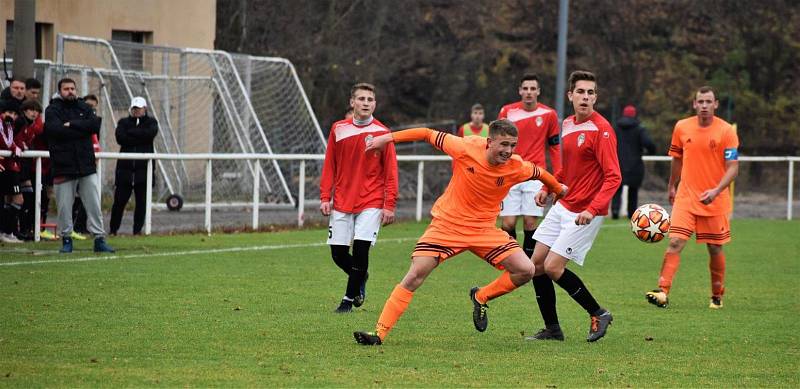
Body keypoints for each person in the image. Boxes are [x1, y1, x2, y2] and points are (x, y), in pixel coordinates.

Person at [353, 119, 566, 345]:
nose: (508, 151)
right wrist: (387, 138)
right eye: (504, 144)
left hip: (484, 230)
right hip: (448, 225)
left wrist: (555, 189)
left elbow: (540, 173)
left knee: (526, 270)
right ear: (489, 142)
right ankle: (379, 334)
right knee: (415, 274)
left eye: (512, 145)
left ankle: (481, 296)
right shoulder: (465, 148)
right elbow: (426, 133)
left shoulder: (516, 166)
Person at [526, 70, 621, 342]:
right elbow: (567, 169)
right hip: (564, 205)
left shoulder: (602, 131)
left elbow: (614, 176)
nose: (586, 97)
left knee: (554, 267)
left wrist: (592, 209)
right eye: (581, 91)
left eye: (591, 93)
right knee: (536, 266)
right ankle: (553, 330)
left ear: (595, 98)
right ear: (570, 95)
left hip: (585, 212)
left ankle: (598, 313)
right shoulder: (567, 123)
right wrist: (548, 188)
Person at [645, 86, 739, 309]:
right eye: (701, 102)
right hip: (686, 197)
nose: (704, 106)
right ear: (694, 104)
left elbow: (733, 168)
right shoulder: (682, 127)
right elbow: (676, 159)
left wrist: (716, 191)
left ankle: (717, 295)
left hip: (715, 200)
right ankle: (662, 291)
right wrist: (671, 185)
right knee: (675, 242)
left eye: (709, 102)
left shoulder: (726, 131)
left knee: (715, 248)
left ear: (715, 104)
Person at [320, 83, 398, 313]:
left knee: (361, 249)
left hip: (371, 200)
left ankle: (347, 300)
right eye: (361, 99)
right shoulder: (338, 129)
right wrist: (326, 196)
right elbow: (329, 165)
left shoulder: (383, 133)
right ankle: (361, 276)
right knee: (338, 253)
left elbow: (391, 171)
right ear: (352, 102)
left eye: (370, 100)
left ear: (375, 104)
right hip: (343, 199)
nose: (366, 103)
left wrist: (389, 204)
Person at [44, 78, 114, 253]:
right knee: (64, 206)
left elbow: (94, 125)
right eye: (66, 88)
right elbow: (55, 131)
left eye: (72, 88)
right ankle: (66, 239)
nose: (70, 91)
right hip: (63, 165)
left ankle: (99, 238)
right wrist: (80, 130)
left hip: (86, 164)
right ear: (60, 91)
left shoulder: (84, 107)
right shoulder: (52, 110)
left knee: (93, 204)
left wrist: (72, 125)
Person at [497, 73, 561, 258]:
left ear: (538, 92)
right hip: (509, 174)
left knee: (530, 222)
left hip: (535, 175)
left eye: (533, 89)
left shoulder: (548, 114)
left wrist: (555, 179)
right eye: (525, 88)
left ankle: (527, 262)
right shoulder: (507, 112)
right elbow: (497, 142)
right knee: (508, 223)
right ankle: (510, 258)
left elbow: (555, 148)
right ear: (519, 91)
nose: (529, 92)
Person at [110, 97, 158, 235]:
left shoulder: (151, 122)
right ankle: (113, 230)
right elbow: (120, 138)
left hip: (143, 172)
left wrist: (131, 133)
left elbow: (149, 134)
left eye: (139, 108)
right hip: (124, 171)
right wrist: (137, 134)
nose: (136, 111)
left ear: (145, 108)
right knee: (119, 202)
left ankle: (137, 231)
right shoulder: (123, 122)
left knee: (141, 203)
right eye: (134, 108)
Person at [611, 105, 656, 219]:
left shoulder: (615, 127)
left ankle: (615, 210)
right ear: (634, 114)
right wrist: (651, 152)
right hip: (635, 164)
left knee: (617, 189)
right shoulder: (639, 128)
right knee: (633, 191)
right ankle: (631, 213)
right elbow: (648, 143)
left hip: (618, 163)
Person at [11, 99, 44, 240]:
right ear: (24, 111)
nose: (34, 113)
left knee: (28, 197)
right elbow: (10, 138)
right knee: (15, 198)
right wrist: (18, 145)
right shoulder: (19, 122)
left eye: (36, 110)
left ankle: (23, 230)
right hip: (13, 164)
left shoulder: (30, 125)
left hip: (23, 166)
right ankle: (10, 230)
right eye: (31, 110)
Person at [70, 94, 102, 238]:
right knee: (71, 197)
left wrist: (95, 155)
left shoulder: (93, 122)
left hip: (87, 164)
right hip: (72, 163)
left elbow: (95, 141)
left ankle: (81, 227)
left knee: (88, 197)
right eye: (89, 106)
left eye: (94, 107)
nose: (92, 109)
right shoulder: (77, 119)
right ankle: (71, 229)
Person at [0, 101, 24, 243]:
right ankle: (5, 232)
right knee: (15, 199)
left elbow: (9, 143)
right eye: (9, 113)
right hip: (4, 166)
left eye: (15, 114)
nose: (12, 116)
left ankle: (7, 232)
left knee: (14, 199)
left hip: (9, 166)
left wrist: (15, 147)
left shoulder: (9, 126)